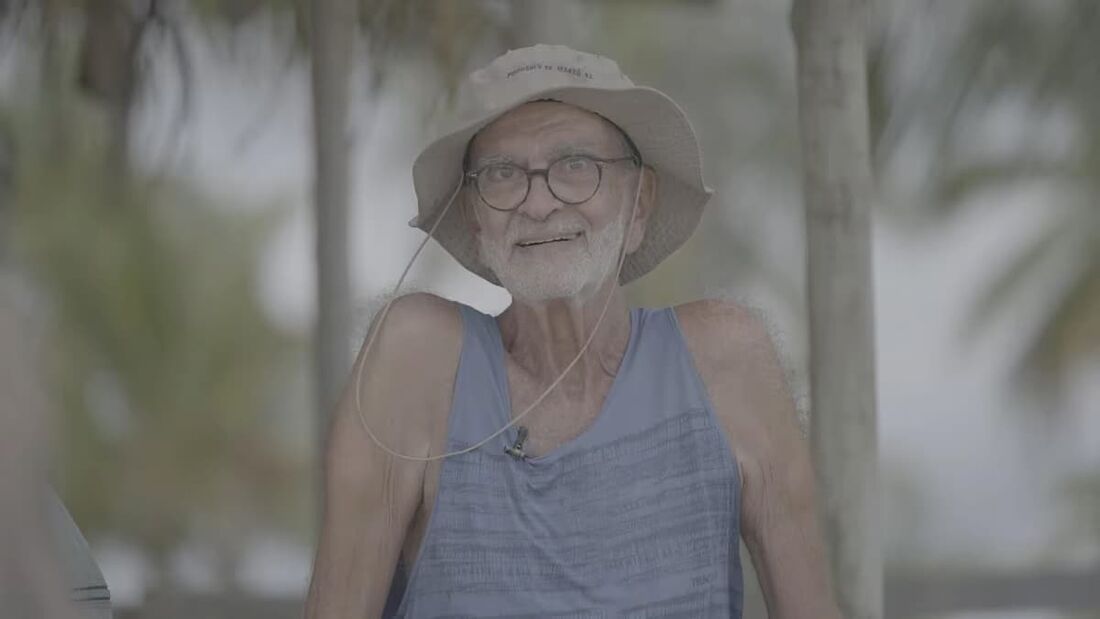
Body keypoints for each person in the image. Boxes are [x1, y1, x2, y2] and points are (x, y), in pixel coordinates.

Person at [306, 44, 841, 618]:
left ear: (640, 204)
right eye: (502, 174)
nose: (538, 204)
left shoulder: (726, 359)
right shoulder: (419, 358)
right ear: (474, 219)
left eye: (576, 166)